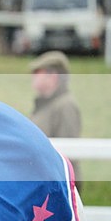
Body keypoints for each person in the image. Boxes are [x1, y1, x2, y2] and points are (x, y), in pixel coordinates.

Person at [30, 50, 82, 186]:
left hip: (58, 187)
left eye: (37, 73)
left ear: (52, 76)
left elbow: (68, 152)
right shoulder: (45, 104)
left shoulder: (65, 106)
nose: (33, 77)